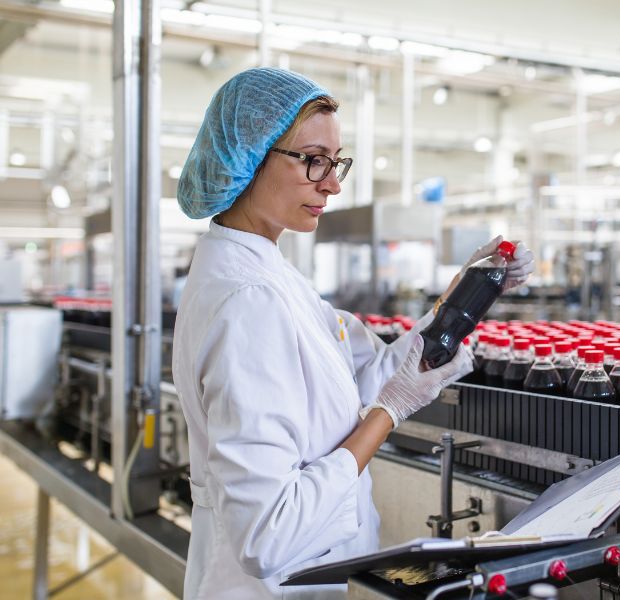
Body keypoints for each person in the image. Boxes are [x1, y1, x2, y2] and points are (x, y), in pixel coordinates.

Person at [172, 67, 535, 600]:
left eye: (335, 161)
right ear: (248, 155)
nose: (333, 183)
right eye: (313, 160)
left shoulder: (266, 273)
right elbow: (265, 537)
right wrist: (387, 414)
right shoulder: (247, 301)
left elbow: (358, 377)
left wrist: (460, 299)